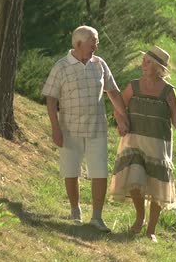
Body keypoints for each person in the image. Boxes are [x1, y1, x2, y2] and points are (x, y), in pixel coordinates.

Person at [110, 45, 176, 242]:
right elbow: (118, 107)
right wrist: (121, 122)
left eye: (148, 63)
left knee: (157, 186)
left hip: (158, 144)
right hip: (134, 141)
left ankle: (151, 230)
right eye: (144, 61)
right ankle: (140, 218)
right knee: (134, 178)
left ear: (158, 68)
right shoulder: (133, 86)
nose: (143, 65)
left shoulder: (168, 91)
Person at [42, 25, 129, 232]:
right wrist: (55, 128)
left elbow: (114, 92)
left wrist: (123, 118)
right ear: (79, 44)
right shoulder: (61, 67)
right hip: (69, 128)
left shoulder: (99, 64)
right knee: (70, 171)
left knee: (99, 171)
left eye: (96, 41)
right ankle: (75, 210)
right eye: (94, 42)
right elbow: (51, 100)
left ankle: (97, 217)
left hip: (97, 127)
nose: (96, 46)